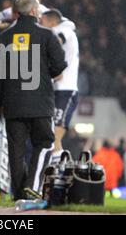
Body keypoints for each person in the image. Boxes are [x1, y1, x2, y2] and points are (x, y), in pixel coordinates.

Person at [0, 0, 67, 200]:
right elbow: (60, 65)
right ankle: (32, 187)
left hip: (12, 103)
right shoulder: (47, 35)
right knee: (45, 143)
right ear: (34, 11)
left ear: (17, 12)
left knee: (16, 150)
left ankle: (19, 193)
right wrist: (46, 74)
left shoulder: (4, 37)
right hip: (40, 103)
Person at [40, 9, 79, 162]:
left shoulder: (65, 30)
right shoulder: (61, 29)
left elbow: (57, 41)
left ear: (52, 21)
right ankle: (58, 164)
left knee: (54, 136)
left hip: (66, 90)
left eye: (42, 21)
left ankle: (58, 169)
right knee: (50, 138)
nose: (40, 25)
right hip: (54, 91)